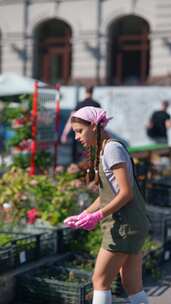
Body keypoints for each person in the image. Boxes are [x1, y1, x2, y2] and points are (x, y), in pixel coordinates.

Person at [64, 106, 150, 304]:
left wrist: (97, 216)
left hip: (124, 226)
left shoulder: (112, 149)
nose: (77, 137)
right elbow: (108, 194)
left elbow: (126, 193)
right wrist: (85, 213)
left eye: (79, 131)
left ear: (94, 126)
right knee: (131, 285)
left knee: (100, 281)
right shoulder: (106, 149)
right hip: (132, 224)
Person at [60, 86, 101, 162]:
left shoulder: (80, 104)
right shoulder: (96, 104)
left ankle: (77, 166)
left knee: (76, 154)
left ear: (85, 92)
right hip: (92, 134)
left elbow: (71, 119)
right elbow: (100, 122)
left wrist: (64, 133)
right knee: (92, 155)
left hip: (79, 132)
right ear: (92, 92)